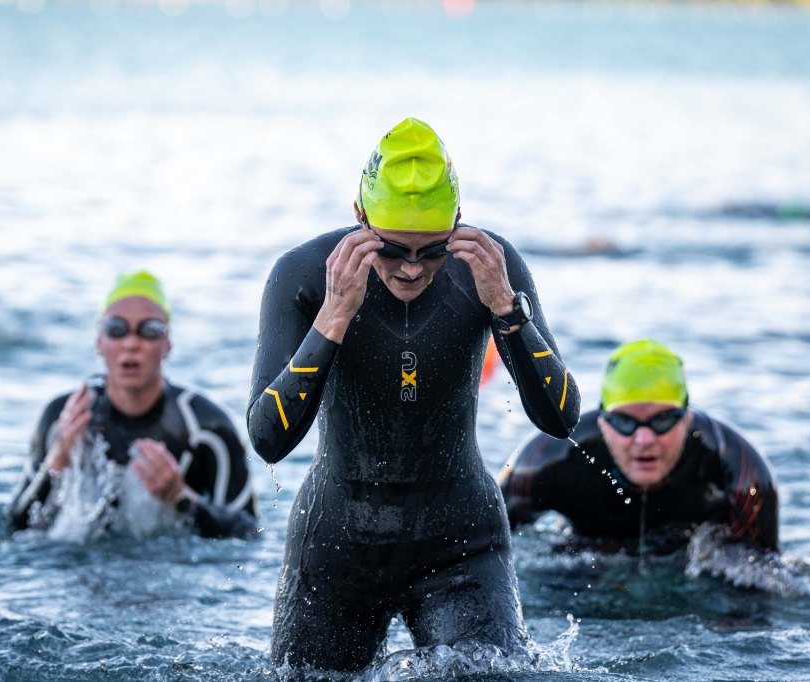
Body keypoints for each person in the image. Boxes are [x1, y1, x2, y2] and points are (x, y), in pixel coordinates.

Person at [247, 117, 581, 672]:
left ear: (457, 222)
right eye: (392, 249)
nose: (410, 268)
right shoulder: (303, 274)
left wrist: (507, 310)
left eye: (432, 252)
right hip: (336, 546)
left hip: (462, 546)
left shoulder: (491, 267)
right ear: (360, 218)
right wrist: (333, 317)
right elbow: (268, 439)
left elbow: (561, 419)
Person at [6, 271, 257, 539]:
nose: (131, 343)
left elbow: (248, 533)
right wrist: (57, 461)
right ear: (99, 342)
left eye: (149, 330)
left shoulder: (207, 426)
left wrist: (181, 500)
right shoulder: (62, 419)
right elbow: (15, 528)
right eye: (117, 329)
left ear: (167, 344)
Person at [499, 339, 778, 555]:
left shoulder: (738, 465)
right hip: (585, 567)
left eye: (663, 419)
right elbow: (479, 545)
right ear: (603, 422)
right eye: (624, 421)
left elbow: (760, 581)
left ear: (687, 418)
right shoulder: (545, 460)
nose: (644, 439)